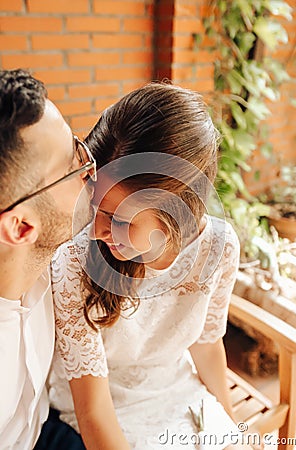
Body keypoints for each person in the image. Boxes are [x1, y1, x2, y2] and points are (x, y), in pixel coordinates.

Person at [49, 83, 246, 449]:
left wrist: (233, 430)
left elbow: (206, 344)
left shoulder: (219, 247)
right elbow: (93, 410)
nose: (95, 231)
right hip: (100, 408)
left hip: (176, 390)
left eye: (120, 219)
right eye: (94, 206)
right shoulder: (74, 262)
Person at [0, 68, 97, 449]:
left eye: (78, 146)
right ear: (21, 228)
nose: (92, 171)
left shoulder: (56, 261)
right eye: (73, 168)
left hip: (44, 430)